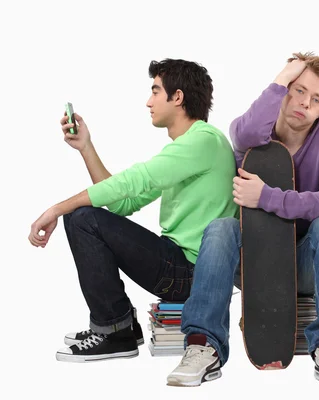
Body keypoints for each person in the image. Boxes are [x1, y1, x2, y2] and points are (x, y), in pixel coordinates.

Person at [167, 52, 319, 388]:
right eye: (298, 90)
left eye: (317, 100)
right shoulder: (254, 134)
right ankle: (203, 345)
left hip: (303, 262)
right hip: (253, 261)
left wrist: (267, 197)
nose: (304, 103)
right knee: (221, 228)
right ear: (284, 88)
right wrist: (282, 77)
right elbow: (244, 134)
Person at [28, 58, 238, 362]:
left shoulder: (204, 141)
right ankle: (118, 326)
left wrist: (57, 208)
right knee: (85, 216)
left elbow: (134, 180)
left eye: (155, 92)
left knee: (81, 216)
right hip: (178, 264)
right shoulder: (187, 149)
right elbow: (123, 203)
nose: (148, 102)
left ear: (177, 97)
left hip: (192, 272)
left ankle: (115, 330)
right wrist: (86, 146)